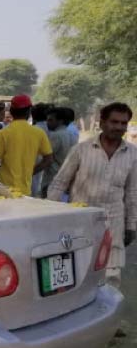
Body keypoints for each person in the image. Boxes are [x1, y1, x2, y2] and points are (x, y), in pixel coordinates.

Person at [48, 102, 137, 290]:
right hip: (79, 224)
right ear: (102, 122)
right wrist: (51, 217)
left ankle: (107, 315)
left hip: (113, 224)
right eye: (114, 122)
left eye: (123, 123)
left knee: (111, 280)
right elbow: (59, 183)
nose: (119, 127)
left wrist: (131, 226)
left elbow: (132, 193)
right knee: (78, 275)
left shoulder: (133, 154)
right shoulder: (81, 150)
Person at [0, 95, 53, 195]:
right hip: (25, 190)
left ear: (11, 111)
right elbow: (48, 159)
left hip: (4, 189)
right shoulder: (39, 133)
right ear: (29, 112)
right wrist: (31, 172)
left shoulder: (3, 133)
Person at [39, 107, 75, 197]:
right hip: (64, 179)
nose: (47, 123)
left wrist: (32, 171)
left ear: (60, 121)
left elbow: (47, 158)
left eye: (50, 120)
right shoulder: (70, 134)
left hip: (52, 180)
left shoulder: (56, 136)